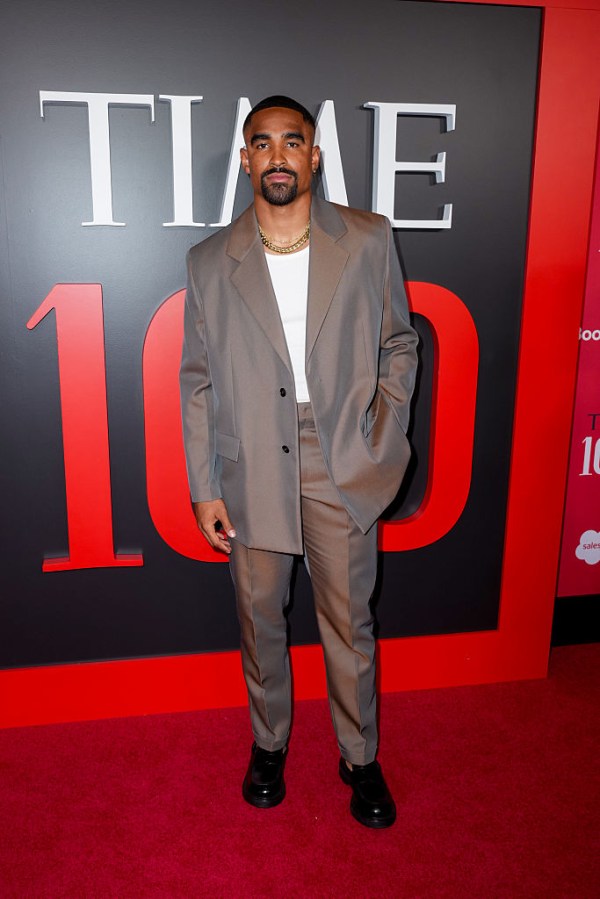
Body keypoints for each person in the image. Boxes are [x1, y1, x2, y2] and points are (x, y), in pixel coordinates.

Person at [180, 95, 418, 828]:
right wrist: (204, 485)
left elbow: (399, 345)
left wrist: (381, 435)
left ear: (314, 157)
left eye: (294, 141)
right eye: (263, 143)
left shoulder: (370, 239)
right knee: (261, 618)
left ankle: (359, 754)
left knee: (350, 621)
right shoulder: (209, 261)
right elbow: (198, 379)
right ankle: (269, 743)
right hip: (251, 460)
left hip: (341, 455)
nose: (278, 155)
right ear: (247, 158)